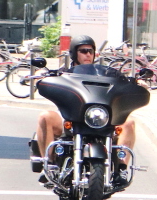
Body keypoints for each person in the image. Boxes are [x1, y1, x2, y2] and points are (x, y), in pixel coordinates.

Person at [33, 35, 138, 167]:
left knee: (128, 123)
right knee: (45, 116)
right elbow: (46, 79)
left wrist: (137, 83)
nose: (88, 54)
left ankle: (121, 167)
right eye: (83, 51)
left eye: (91, 51)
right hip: (69, 117)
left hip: (101, 117)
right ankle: (48, 163)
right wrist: (42, 77)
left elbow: (122, 82)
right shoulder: (63, 73)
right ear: (73, 53)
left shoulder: (106, 74)